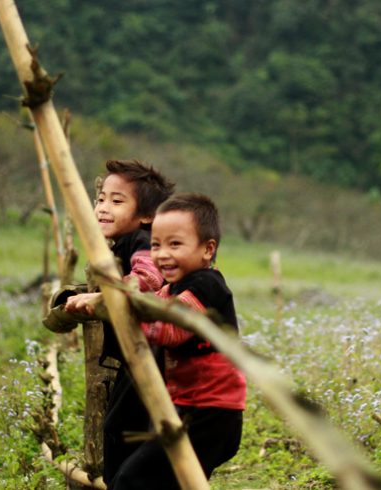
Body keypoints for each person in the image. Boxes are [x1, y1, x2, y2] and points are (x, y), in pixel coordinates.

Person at [108, 193, 246, 489]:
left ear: (208, 249)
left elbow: (171, 328)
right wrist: (101, 299)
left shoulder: (207, 285)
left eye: (175, 244)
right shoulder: (174, 288)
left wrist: (126, 313)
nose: (162, 254)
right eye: (156, 244)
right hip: (188, 409)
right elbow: (148, 302)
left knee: (131, 480)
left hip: (211, 415)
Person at [63, 159, 175, 483]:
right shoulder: (122, 243)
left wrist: (101, 298)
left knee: (118, 430)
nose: (103, 208)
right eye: (101, 199)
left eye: (117, 201)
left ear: (146, 215)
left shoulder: (142, 240)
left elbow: (148, 277)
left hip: (148, 354)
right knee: (128, 429)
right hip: (138, 354)